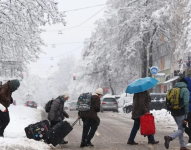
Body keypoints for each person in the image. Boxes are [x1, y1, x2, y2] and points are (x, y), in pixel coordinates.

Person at [164, 77, 190, 150]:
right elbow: (186, 103)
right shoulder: (185, 90)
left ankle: (182, 146)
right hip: (181, 112)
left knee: (180, 128)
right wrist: (187, 113)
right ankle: (170, 137)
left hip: (173, 112)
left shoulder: (173, 89)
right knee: (182, 129)